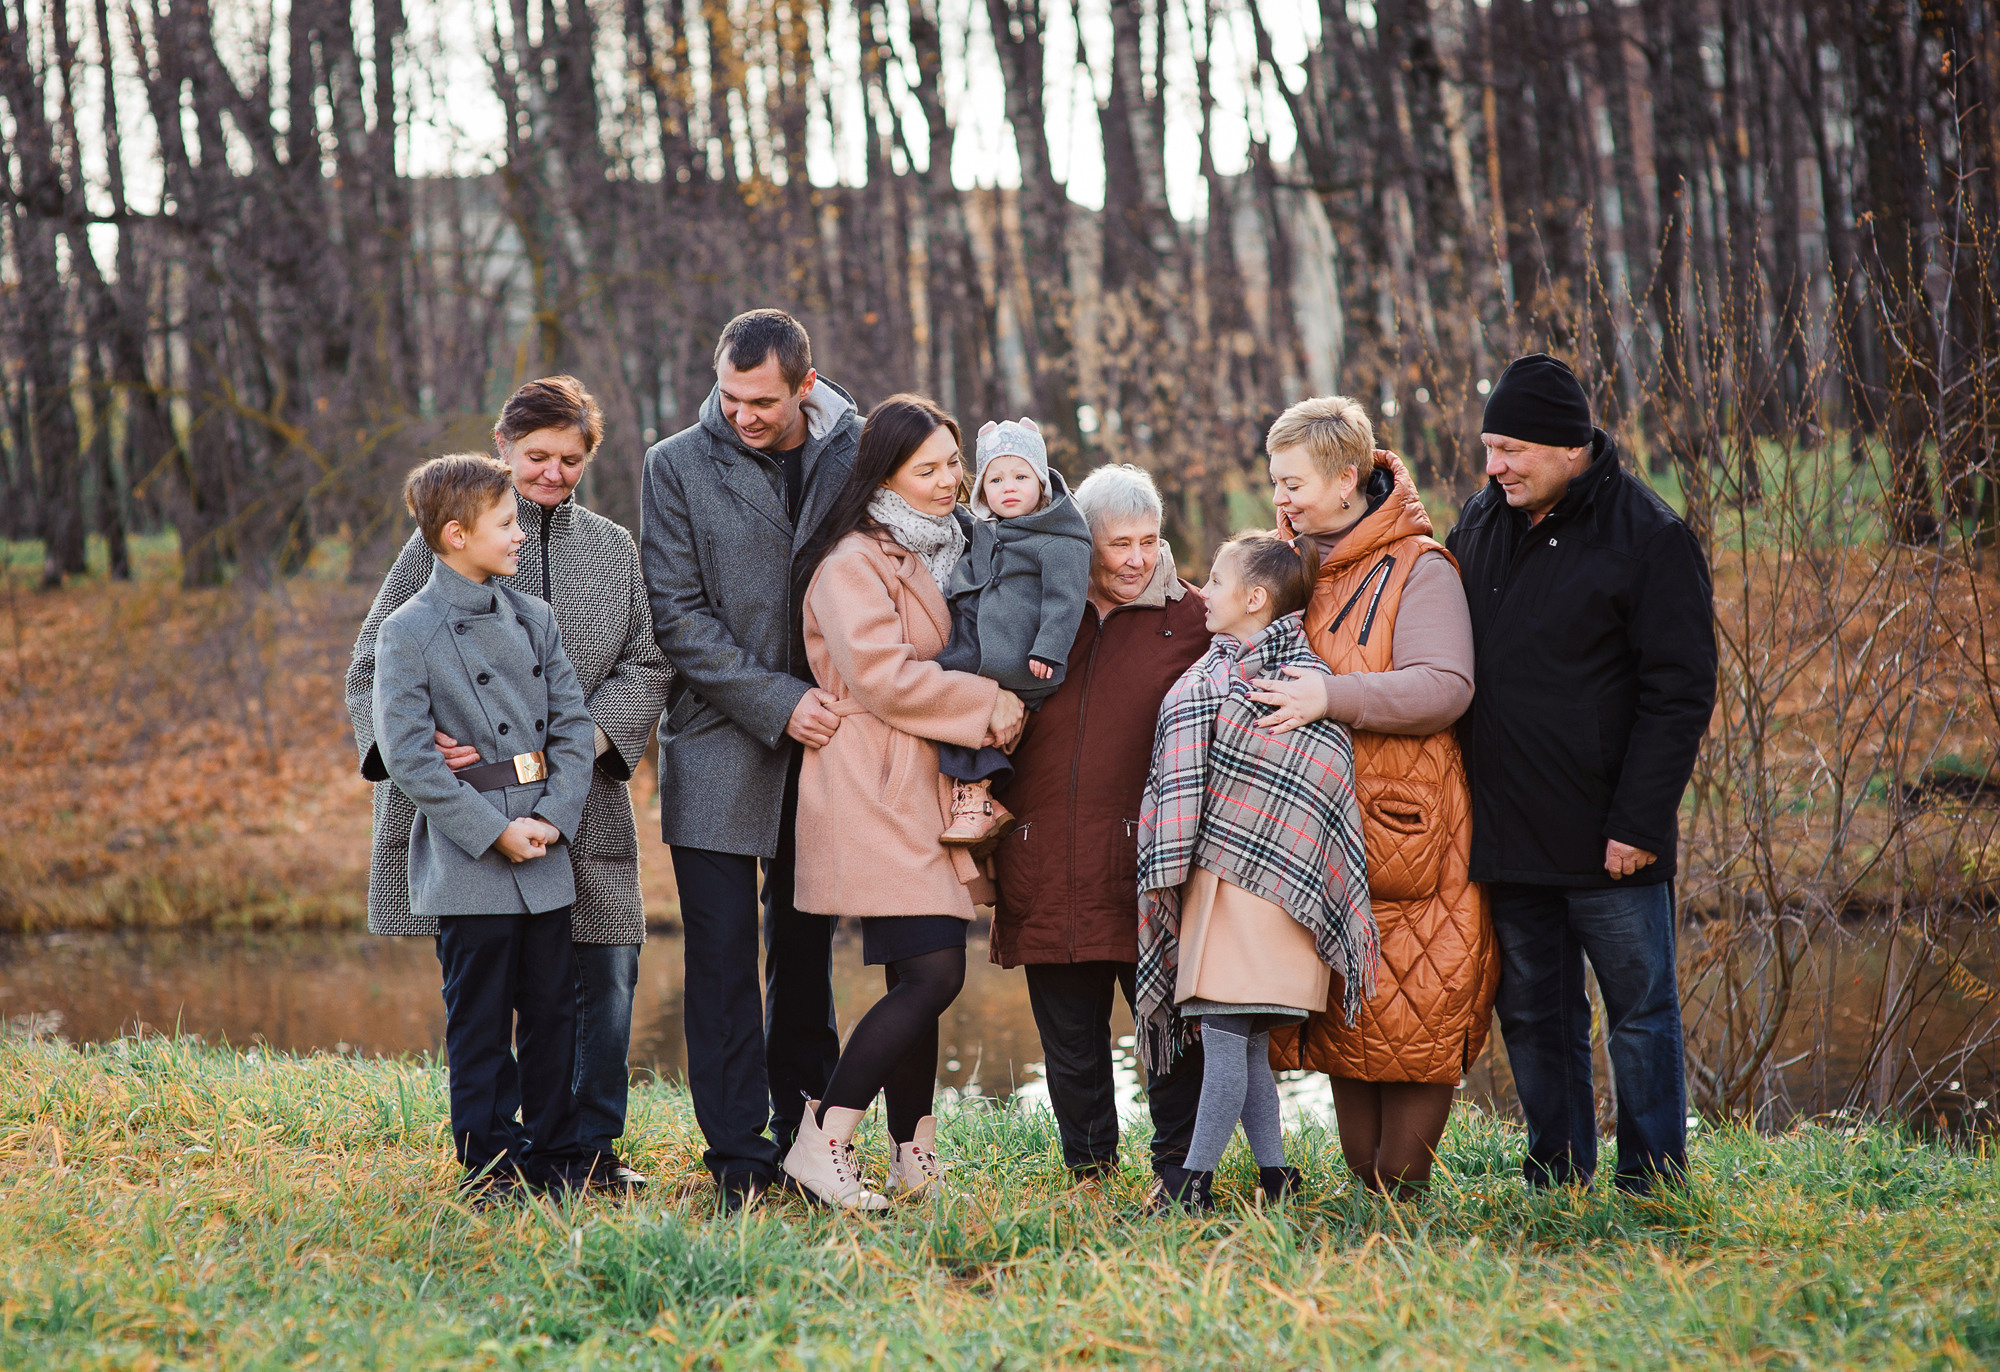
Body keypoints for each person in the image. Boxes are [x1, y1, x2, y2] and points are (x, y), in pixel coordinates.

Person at [347, 377, 671, 1194]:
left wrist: (579, 749)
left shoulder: (611, 550)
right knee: (488, 999)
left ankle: (586, 1151)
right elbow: (369, 672)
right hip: (472, 813)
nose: (553, 472)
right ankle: (498, 1157)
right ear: (503, 449)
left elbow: (647, 661)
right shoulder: (439, 544)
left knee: (603, 981)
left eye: (570, 459)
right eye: (536, 457)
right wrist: (412, 748)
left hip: (580, 798)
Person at [1447, 353, 1717, 1194]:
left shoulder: (1651, 536)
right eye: (1490, 446)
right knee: (1533, 1014)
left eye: (1513, 449)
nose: (1495, 466)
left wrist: (1638, 825)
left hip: (1611, 842)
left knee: (1639, 1015)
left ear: (1570, 448)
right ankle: (1557, 1172)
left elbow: (1680, 694)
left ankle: (1652, 1180)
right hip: (1510, 832)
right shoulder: (1481, 523)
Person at [639, 309, 862, 1209]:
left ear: (805, 385)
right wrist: (780, 701)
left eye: (762, 400)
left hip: (837, 742)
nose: (741, 414)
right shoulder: (674, 464)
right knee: (722, 957)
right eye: (729, 396)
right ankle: (735, 1154)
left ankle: (810, 1137)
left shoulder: (857, 451)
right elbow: (676, 614)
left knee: (805, 955)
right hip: (717, 738)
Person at [782, 394, 1027, 1208]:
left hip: (923, 785)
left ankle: (911, 1154)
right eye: (928, 469)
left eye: (953, 463)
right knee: (932, 974)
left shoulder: (948, 550)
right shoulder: (851, 561)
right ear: (883, 474)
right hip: (873, 784)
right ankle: (824, 1143)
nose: (950, 480)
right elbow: (883, 678)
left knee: (916, 977)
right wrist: (987, 704)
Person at [1248, 395, 1494, 1198]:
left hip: (1410, 841)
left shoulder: (1418, 567)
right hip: (1317, 843)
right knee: (1358, 1139)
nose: (1280, 498)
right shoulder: (1290, 567)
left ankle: (1409, 1231)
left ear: (1347, 478)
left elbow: (1444, 687)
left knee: (1415, 1031)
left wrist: (1332, 696)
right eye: (1275, 481)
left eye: (1293, 482)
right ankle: (1379, 1219)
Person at [370, 454, 595, 1204]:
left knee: (556, 1014)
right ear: (457, 534)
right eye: (506, 524)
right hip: (471, 860)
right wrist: (493, 832)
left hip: (544, 846)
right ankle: (491, 1167)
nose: (520, 534)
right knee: (479, 1021)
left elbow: (571, 726)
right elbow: (407, 757)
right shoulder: (409, 632)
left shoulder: (534, 618)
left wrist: (553, 820)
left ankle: (559, 1156)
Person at [987, 464, 1210, 1200]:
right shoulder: (1036, 611)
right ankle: (1088, 1171)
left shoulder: (1196, 620)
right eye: (1121, 544)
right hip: (1043, 855)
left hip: (1149, 864)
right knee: (1070, 1040)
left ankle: (1177, 1168)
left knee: (1169, 1033)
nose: (1139, 558)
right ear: (1084, 540)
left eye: (1150, 541)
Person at [1136, 532, 1376, 1211]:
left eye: (1215, 580)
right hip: (1226, 894)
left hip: (1260, 898)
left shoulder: (1286, 683)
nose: (1202, 592)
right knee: (1241, 1050)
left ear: (1253, 598)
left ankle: (1191, 1182)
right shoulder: (1227, 668)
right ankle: (1276, 1178)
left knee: (1222, 1043)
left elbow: (1314, 777)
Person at [930, 418, 1092, 848]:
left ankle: (976, 800)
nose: (1009, 487)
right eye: (996, 479)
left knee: (963, 704)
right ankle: (983, 799)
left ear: (1041, 482)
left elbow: (1066, 600)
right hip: (981, 645)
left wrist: (1050, 649)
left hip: (1024, 658)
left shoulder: (1061, 539)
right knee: (942, 692)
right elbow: (975, 570)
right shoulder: (986, 528)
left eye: (1021, 476)